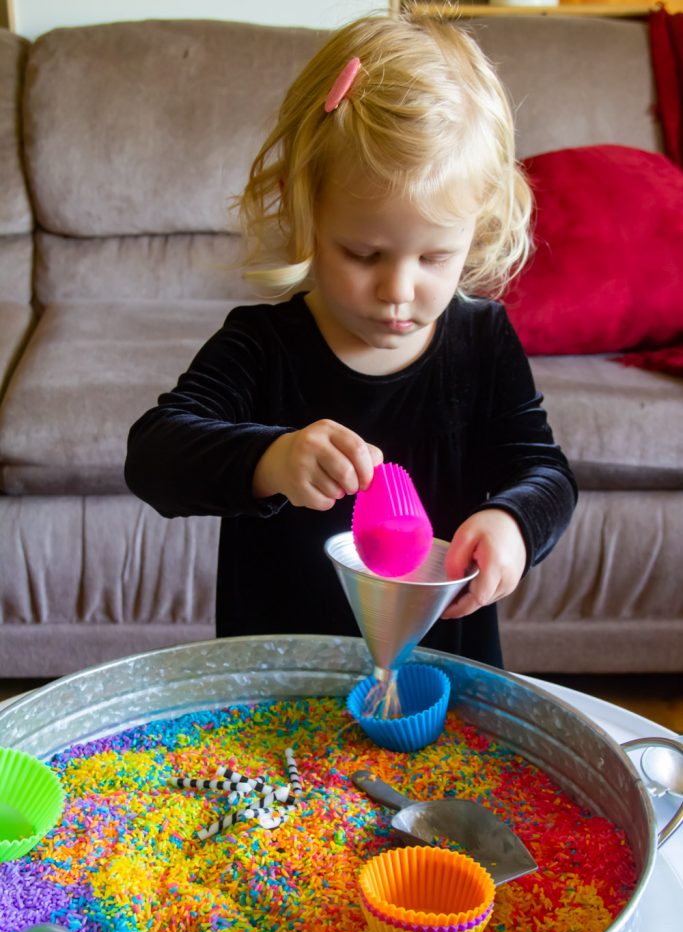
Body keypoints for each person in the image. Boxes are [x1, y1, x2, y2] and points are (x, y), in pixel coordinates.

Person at [125, 12, 577, 669]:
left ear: (475, 232)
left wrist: (512, 523)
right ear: (304, 210)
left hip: (438, 673)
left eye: (433, 257)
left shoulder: (481, 343)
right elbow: (153, 458)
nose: (398, 289)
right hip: (279, 679)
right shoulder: (262, 345)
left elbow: (544, 473)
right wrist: (271, 459)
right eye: (363, 253)